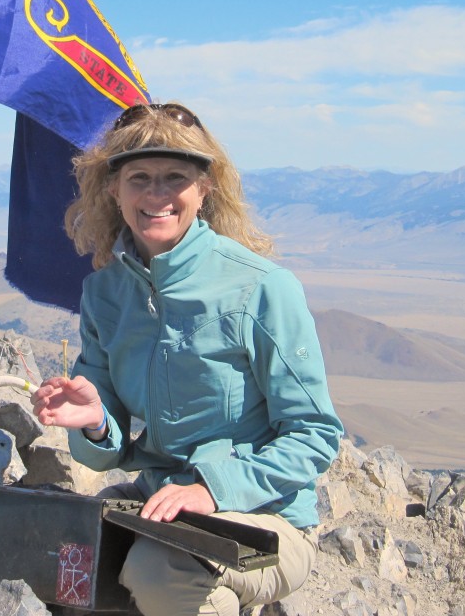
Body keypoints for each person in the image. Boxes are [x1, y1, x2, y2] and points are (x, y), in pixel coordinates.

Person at [31, 102, 343, 616]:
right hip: (159, 505)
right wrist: (93, 423)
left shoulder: (262, 288)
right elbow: (101, 455)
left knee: (159, 570)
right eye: (139, 178)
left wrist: (211, 489)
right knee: (61, 555)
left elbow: (315, 435)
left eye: (175, 177)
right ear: (113, 188)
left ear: (205, 188)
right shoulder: (104, 295)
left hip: (268, 520)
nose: (156, 195)